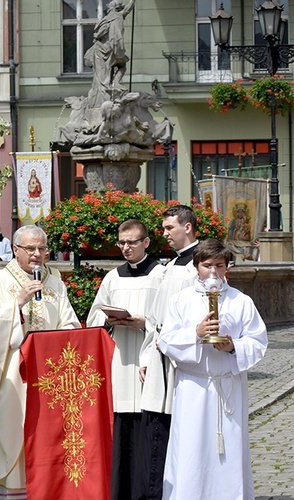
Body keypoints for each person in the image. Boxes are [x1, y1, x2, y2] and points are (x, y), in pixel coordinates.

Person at [0, 225, 80, 499]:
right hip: (10, 377)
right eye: (30, 249)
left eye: (42, 249)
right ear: (15, 250)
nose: (37, 254)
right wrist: (16, 304)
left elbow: (69, 323)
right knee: (11, 430)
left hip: (48, 376)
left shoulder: (54, 282)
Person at [158, 239, 267, 499]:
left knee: (229, 454)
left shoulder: (241, 301)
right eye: (207, 266)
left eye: (219, 265)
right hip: (194, 387)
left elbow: (258, 341)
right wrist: (195, 334)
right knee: (191, 452)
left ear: (227, 266)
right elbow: (165, 340)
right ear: (197, 267)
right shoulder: (180, 300)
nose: (214, 272)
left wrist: (232, 347)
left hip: (228, 387)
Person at [86, 219, 165, 500]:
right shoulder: (112, 277)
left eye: (132, 242)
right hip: (119, 360)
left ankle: (145, 491)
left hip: (147, 360)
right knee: (121, 428)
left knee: (147, 426)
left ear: (146, 242)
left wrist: (144, 322)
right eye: (122, 243)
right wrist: (109, 320)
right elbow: (94, 316)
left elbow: (169, 320)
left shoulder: (161, 276)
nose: (126, 248)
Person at [135, 204, 199, 499]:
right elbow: (154, 317)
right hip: (159, 353)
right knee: (155, 426)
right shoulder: (170, 266)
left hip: (181, 358)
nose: (164, 234)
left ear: (187, 227)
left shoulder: (200, 266)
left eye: (169, 228)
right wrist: (147, 354)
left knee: (173, 426)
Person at [84, 0, 136, 102]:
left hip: (99, 49)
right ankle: (115, 84)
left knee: (102, 75)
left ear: (109, 8)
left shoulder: (104, 19)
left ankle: (103, 94)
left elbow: (96, 36)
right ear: (118, 8)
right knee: (122, 66)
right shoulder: (118, 16)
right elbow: (128, 9)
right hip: (111, 48)